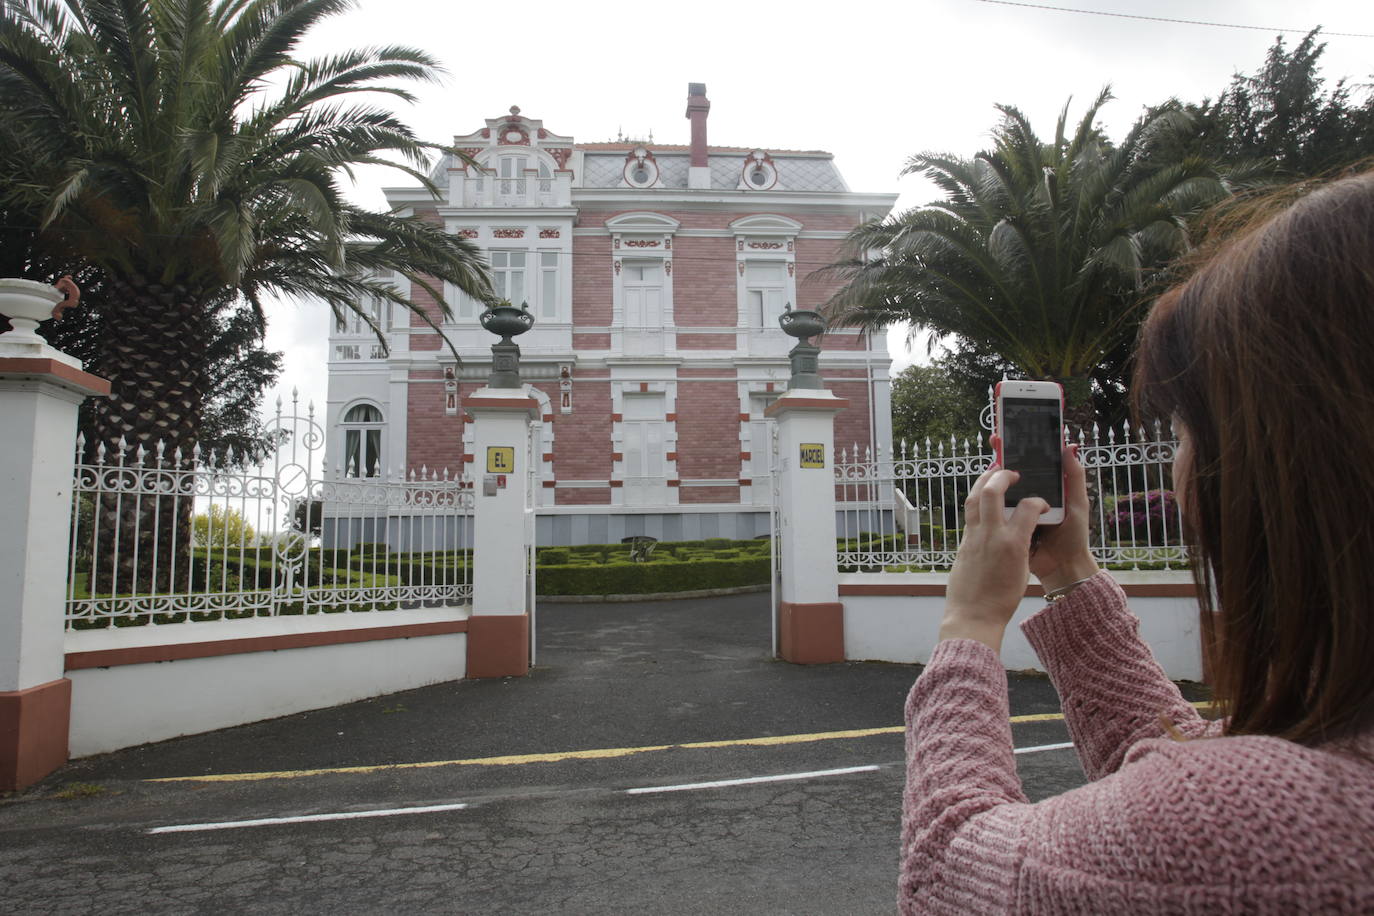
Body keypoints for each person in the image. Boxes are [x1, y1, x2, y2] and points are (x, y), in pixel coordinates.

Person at [900, 171, 1374, 913]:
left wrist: (968, 627)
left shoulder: (1265, 830)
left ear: (1286, 467)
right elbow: (1174, 777)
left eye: (1183, 429)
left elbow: (946, 868)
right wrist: (1071, 576)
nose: (1179, 464)